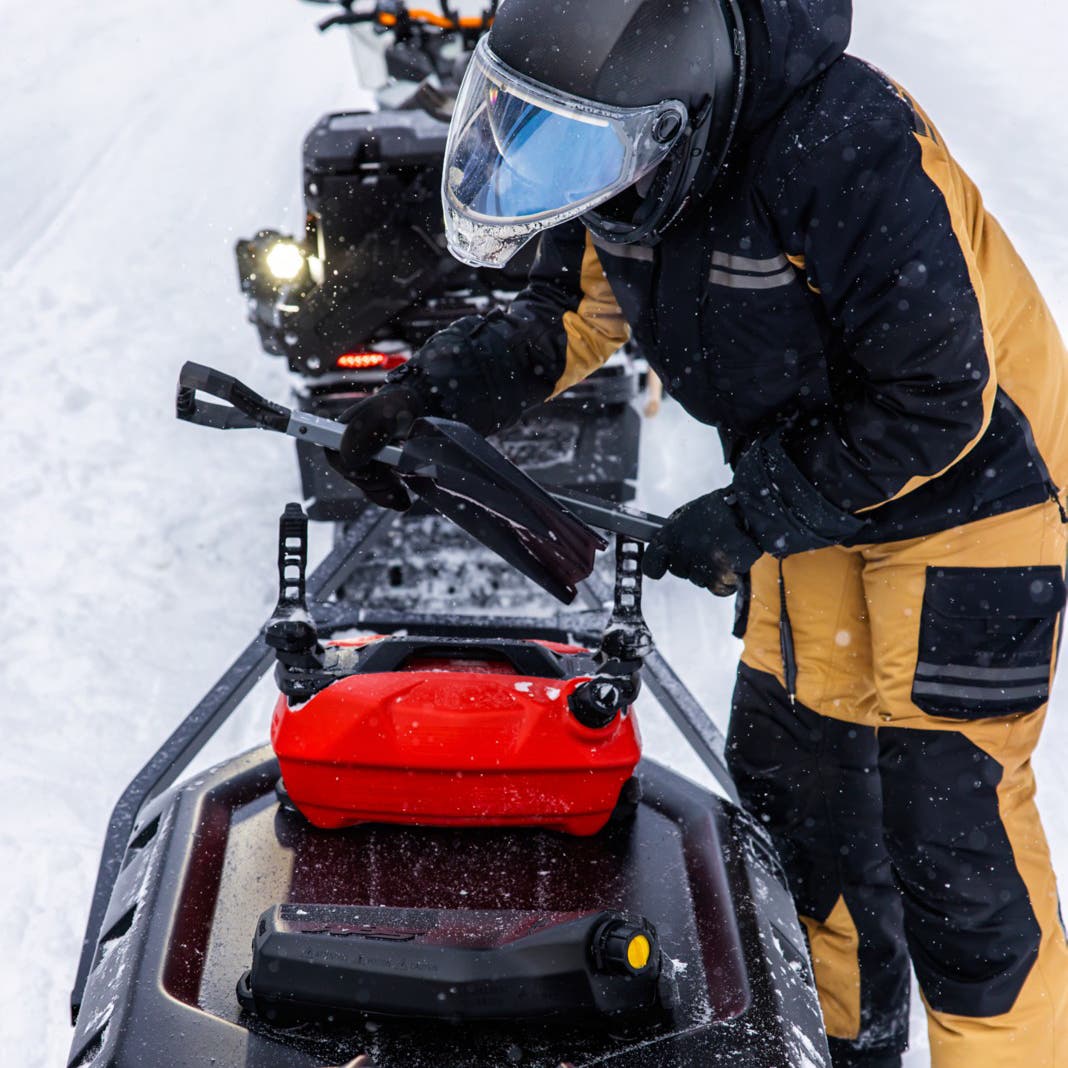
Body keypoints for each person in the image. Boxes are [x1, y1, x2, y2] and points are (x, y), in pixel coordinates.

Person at [331, 2, 1068, 1065]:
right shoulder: (623, 153)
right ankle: (842, 1045)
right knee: (804, 805)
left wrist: (749, 513)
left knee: (950, 842)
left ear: (684, 114)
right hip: (819, 483)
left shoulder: (845, 142)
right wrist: (428, 394)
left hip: (976, 493)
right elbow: (572, 315)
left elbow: (937, 397)